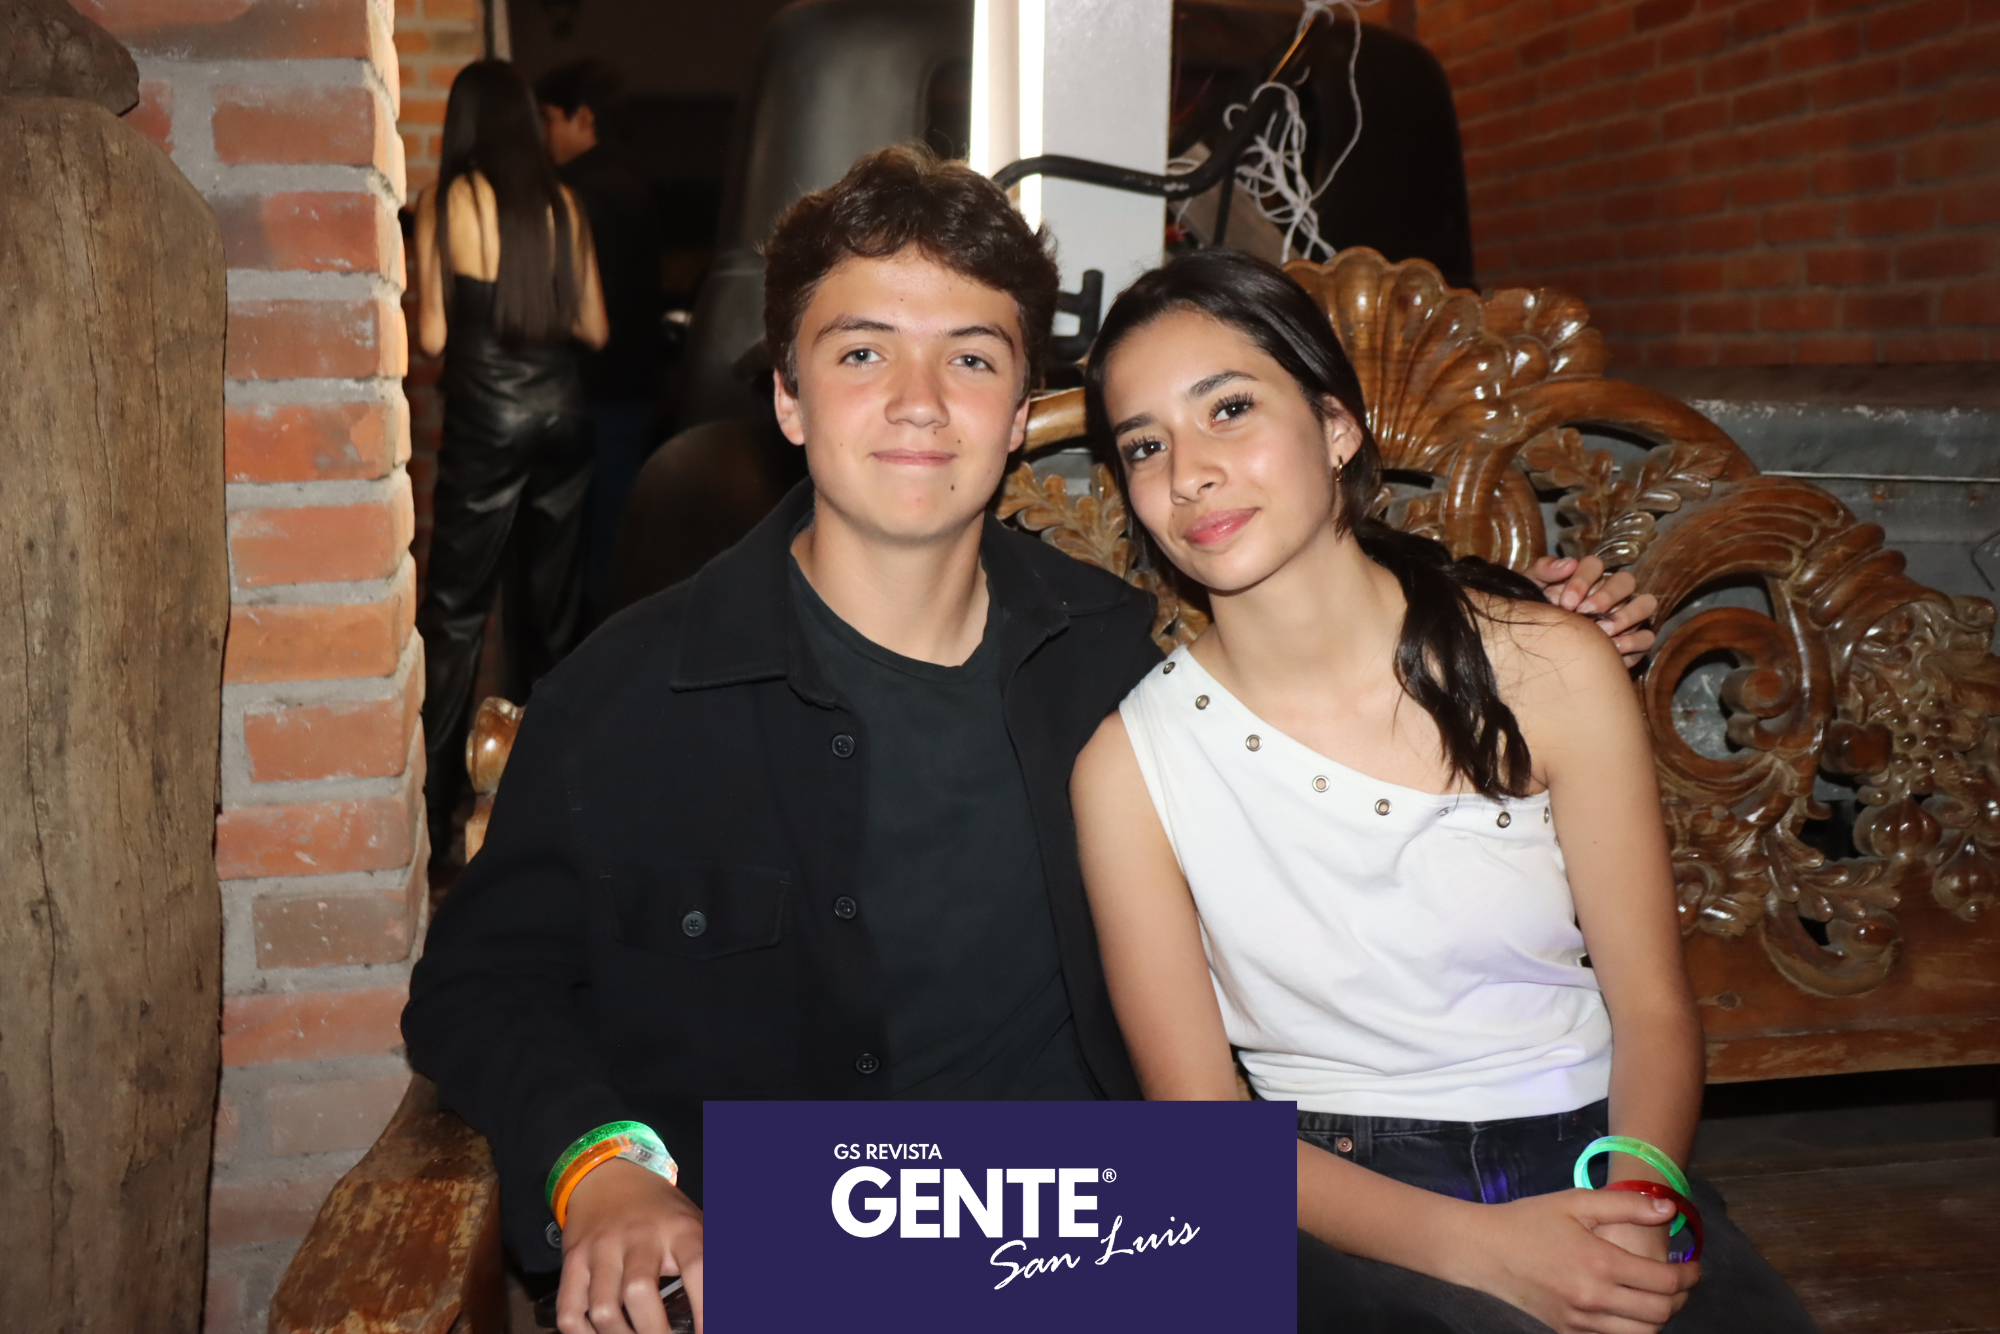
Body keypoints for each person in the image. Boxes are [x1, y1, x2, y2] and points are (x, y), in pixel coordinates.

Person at [401, 146, 1656, 1334]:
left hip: (1117, 1219)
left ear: (1018, 413)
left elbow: (1312, 608)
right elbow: (479, 982)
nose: (916, 402)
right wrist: (601, 1166)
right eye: (859, 352)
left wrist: (1515, 621)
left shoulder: (1119, 656)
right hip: (788, 1230)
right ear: (787, 396)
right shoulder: (633, 689)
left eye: (970, 358)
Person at [1070, 250, 1817, 1334]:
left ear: (1335, 426)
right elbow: (1201, 1128)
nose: (1188, 472)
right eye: (1146, 444)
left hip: (1600, 1147)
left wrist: (1637, 1207)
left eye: (1229, 408)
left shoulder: (1547, 664)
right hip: (1328, 1198)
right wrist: (1486, 1251)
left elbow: (1652, 1006)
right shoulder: (1132, 764)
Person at [414, 59, 609, 866]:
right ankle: (552, 821)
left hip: (489, 418)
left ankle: (432, 823)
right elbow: (596, 329)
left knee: (457, 616)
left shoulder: (448, 199)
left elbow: (432, 336)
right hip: (564, 415)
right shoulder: (563, 202)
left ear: (464, 122)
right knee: (550, 620)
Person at [536, 60, 669, 622]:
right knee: (617, 544)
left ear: (583, 118)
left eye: (550, 119)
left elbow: (565, 303)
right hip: (634, 388)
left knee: (574, 554)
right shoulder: (640, 184)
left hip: (585, 393)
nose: (544, 135)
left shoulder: (573, 192)